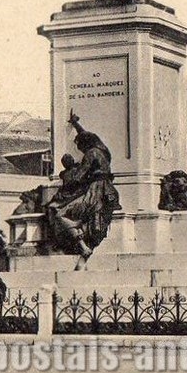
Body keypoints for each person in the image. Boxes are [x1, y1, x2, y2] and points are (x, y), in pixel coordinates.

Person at [44, 111, 120, 268]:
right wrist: (76, 124)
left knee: (60, 214)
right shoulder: (103, 150)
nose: (79, 150)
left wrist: (68, 179)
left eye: (79, 146)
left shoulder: (89, 155)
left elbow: (78, 177)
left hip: (95, 191)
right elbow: (88, 136)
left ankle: (82, 247)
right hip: (108, 189)